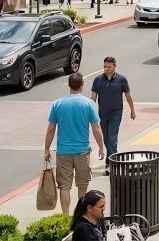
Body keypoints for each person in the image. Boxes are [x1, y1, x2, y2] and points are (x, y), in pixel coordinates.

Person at [44, 73, 106, 214]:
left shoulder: (57, 104)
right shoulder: (88, 104)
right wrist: (101, 147)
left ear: (69, 85)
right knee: (82, 186)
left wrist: (46, 149)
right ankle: (80, 215)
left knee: (64, 186)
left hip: (63, 152)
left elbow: (51, 129)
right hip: (82, 151)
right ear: (82, 85)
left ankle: (65, 216)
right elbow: (96, 128)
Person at [90, 56, 136, 170]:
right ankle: (111, 158)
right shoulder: (97, 80)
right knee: (105, 138)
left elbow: (128, 96)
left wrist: (132, 110)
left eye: (109, 67)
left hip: (116, 113)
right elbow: (93, 98)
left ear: (115, 66)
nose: (107, 69)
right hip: (102, 114)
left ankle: (112, 163)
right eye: (105, 66)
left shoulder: (122, 79)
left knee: (112, 138)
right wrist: (90, 113)